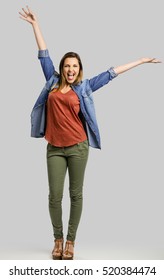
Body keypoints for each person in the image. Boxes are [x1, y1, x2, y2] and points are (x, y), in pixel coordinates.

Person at [19, 6, 161, 260]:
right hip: (54, 147)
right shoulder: (52, 82)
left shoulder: (84, 88)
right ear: (62, 68)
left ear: (79, 69)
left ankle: (71, 243)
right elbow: (43, 54)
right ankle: (57, 239)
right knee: (54, 196)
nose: (70, 69)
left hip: (78, 147)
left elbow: (111, 74)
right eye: (67, 66)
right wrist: (35, 25)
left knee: (76, 194)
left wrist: (139, 61)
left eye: (75, 66)